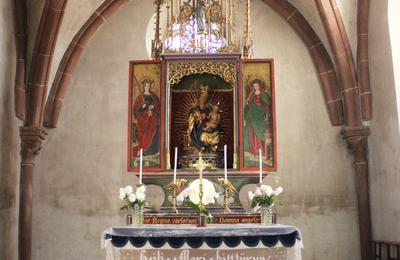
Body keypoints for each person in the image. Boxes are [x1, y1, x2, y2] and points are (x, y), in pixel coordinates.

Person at [187, 85, 221, 153]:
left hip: (209, 128)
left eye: (205, 97)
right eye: (202, 96)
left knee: (216, 132)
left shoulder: (209, 109)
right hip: (197, 130)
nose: (203, 98)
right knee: (203, 135)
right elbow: (191, 122)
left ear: (207, 99)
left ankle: (210, 150)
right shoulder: (194, 110)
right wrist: (198, 119)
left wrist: (213, 123)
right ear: (199, 98)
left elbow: (215, 120)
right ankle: (200, 148)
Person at [244, 78, 272, 157]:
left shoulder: (263, 94)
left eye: (257, 85)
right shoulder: (252, 94)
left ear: (259, 86)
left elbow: (267, 104)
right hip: (253, 116)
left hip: (261, 115)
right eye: (254, 86)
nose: (255, 87)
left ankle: (261, 150)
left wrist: (266, 112)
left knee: (261, 132)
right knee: (253, 131)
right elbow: (248, 104)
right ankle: (255, 149)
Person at [132, 78, 160, 158]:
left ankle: (153, 150)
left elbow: (158, 106)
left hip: (153, 118)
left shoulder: (154, 96)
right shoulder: (140, 97)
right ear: (144, 87)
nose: (148, 87)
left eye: (149, 86)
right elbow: (136, 110)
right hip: (144, 119)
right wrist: (143, 107)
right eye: (147, 86)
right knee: (145, 134)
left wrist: (153, 106)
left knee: (154, 132)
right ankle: (143, 150)